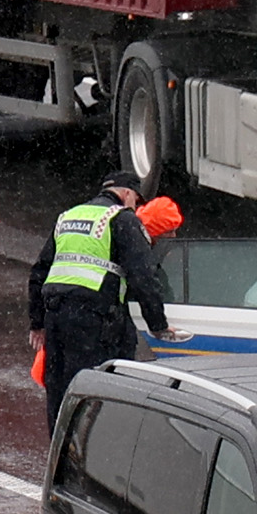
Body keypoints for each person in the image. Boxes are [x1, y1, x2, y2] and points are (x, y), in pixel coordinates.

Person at [29, 170, 172, 436]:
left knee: (59, 389)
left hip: (56, 316)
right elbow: (144, 276)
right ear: (127, 193)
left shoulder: (69, 216)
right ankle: (94, 453)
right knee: (99, 389)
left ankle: (60, 451)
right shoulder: (122, 219)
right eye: (137, 201)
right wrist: (158, 324)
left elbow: (39, 272)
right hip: (94, 319)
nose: (136, 207)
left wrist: (37, 323)